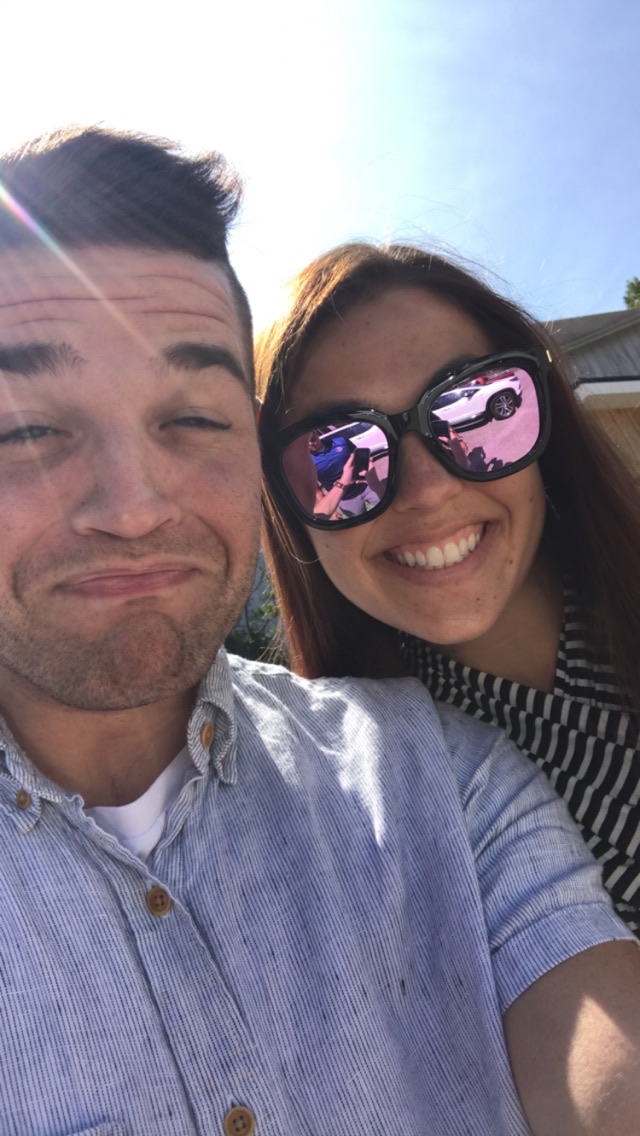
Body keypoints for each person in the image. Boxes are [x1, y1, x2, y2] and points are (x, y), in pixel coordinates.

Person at [1, 132, 639, 1136]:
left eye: (192, 419)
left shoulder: (440, 776)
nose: (132, 508)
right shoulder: (438, 731)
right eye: (26, 428)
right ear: (289, 501)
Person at [257, 240, 640, 937]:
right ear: (288, 509)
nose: (428, 490)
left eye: (476, 409)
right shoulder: (367, 802)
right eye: (337, 454)